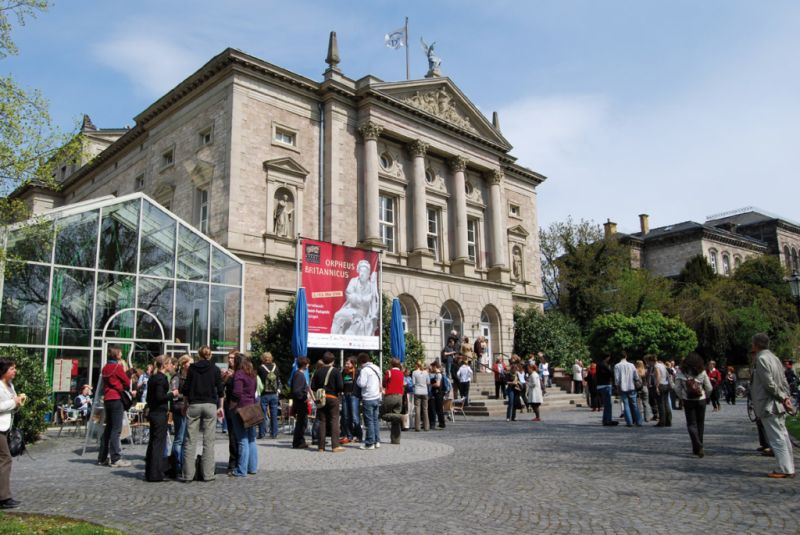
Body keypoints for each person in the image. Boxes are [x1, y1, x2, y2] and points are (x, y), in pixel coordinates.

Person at [749, 333, 795, 478]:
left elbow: (769, 383)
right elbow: (783, 381)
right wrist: (786, 398)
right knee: (783, 435)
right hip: (777, 403)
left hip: (769, 404)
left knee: (777, 438)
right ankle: (789, 467)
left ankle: (784, 469)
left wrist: (782, 397)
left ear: (755, 345)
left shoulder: (761, 359)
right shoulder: (774, 358)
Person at [181, 345, 224, 482]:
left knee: (190, 441)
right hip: (210, 405)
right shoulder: (215, 369)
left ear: (199, 355)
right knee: (208, 441)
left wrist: (185, 404)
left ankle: (188, 475)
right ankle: (207, 474)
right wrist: (220, 406)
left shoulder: (192, 369)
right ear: (210, 355)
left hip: (194, 405)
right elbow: (220, 390)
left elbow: (186, 389)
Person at [144, 356, 179, 482]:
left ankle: (151, 471)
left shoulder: (153, 377)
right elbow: (160, 397)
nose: (171, 366)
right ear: (164, 365)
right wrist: (172, 394)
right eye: (169, 364)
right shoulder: (160, 378)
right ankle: (155, 473)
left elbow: (150, 397)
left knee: (154, 442)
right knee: (158, 443)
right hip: (159, 413)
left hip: (154, 412)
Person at [97, 347, 132, 468]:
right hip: (116, 398)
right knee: (116, 430)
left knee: (109, 428)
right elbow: (126, 382)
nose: (121, 353)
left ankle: (102, 457)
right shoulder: (117, 367)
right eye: (120, 352)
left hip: (107, 399)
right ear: (116, 354)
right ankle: (115, 458)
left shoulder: (105, 368)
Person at [674, 352, 713, 458]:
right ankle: (699, 446)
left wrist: (681, 397)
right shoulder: (702, 371)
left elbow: (677, 388)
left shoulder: (681, 371)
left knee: (691, 424)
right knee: (700, 424)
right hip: (701, 399)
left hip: (688, 400)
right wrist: (706, 396)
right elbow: (709, 387)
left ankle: (697, 446)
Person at [331, 260, 380, 336]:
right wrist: (363, 299)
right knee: (337, 315)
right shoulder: (353, 281)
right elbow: (349, 295)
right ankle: (333, 337)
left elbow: (373, 302)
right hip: (351, 309)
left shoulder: (371, 286)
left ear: (368, 274)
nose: (362, 274)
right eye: (360, 271)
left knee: (353, 328)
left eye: (364, 272)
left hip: (363, 313)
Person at [0, 357, 23, 509]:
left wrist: (18, 404)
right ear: (3, 371)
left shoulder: (10, 385)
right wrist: (14, 402)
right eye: (12, 369)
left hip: (6, 427)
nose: (15, 371)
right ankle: (3, 497)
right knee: (6, 458)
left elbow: (11, 407)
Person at [230, 353, 258, 476]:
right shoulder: (252, 374)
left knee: (242, 439)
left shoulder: (239, 374)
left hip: (240, 408)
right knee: (251, 439)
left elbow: (237, 392)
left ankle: (241, 470)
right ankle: (252, 467)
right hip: (252, 407)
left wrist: (232, 402)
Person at [311, 352, 344, 453]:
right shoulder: (335, 371)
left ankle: (321, 447)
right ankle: (335, 446)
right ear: (333, 361)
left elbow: (313, 387)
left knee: (322, 421)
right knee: (334, 420)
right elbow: (340, 386)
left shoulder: (318, 371)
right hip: (332, 397)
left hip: (321, 398)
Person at [170, 354, 192, 477]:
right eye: (190, 362)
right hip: (179, 408)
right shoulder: (177, 377)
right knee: (179, 438)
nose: (192, 365)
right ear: (184, 364)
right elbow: (173, 394)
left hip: (188, 408)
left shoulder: (190, 376)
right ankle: (176, 465)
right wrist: (185, 397)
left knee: (185, 439)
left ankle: (184, 465)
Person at [357, 353, 382, 449]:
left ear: (361, 362)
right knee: (375, 420)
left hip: (368, 397)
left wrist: (358, 378)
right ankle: (377, 441)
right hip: (376, 396)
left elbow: (362, 384)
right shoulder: (376, 367)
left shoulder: (364, 370)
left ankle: (370, 442)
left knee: (369, 421)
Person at [221, 350, 239, 473]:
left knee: (239, 435)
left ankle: (240, 460)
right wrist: (225, 377)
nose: (230, 360)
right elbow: (221, 387)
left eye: (232, 358)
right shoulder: (228, 371)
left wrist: (233, 377)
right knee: (232, 434)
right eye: (228, 358)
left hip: (238, 405)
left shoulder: (241, 372)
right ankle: (232, 461)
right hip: (229, 405)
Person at [614, 353, 643, 427]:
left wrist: (617, 388)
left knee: (626, 405)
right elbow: (636, 377)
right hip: (631, 386)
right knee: (634, 404)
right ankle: (638, 421)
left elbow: (617, 379)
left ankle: (629, 422)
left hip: (622, 387)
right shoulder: (631, 365)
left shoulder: (617, 366)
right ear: (626, 356)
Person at [257, 352, 281, 440]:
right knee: (274, 414)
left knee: (262, 414)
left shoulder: (260, 368)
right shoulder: (276, 368)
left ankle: (262, 433)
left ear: (263, 358)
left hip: (264, 394)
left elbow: (258, 380)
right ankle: (274, 433)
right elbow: (278, 379)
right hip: (274, 394)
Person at [381, 358, 405, 445]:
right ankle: (396, 440)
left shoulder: (389, 372)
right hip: (400, 397)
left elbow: (384, 384)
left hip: (390, 395)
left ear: (391, 364)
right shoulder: (401, 373)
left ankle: (400, 417)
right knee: (395, 419)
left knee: (381, 414)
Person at [291, 357, 310, 449]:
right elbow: (296, 390)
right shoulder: (299, 375)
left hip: (300, 401)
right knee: (301, 422)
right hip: (300, 402)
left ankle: (300, 441)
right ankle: (298, 442)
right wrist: (304, 397)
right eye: (307, 364)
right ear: (304, 364)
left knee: (303, 422)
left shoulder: (299, 374)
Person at [340, 358, 360, 444]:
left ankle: (359, 435)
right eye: (346, 363)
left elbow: (359, 384)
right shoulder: (343, 372)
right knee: (345, 416)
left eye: (348, 363)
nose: (346, 365)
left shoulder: (357, 372)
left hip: (353, 395)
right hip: (345, 395)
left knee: (355, 417)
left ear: (353, 364)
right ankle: (349, 435)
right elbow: (341, 383)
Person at [412, 361, 430, 431]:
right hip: (425, 392)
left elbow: (413, 383)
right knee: (425, 409)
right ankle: (426, 427)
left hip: (417, 391)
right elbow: (428, 382)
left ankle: (417, 427)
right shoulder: (426, 372)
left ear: (417, 365)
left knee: (417, 410)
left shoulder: (414, 372)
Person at [654, 355, 672, 427]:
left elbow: (658, 376)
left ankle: (662, 422)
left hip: (661, 385)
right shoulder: (662, 365)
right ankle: (668, 421)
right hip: (666, 384)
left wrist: (657, 386)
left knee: (661, 405)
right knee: (666, 403)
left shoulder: (656, 366)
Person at [428, 363, 446, 429]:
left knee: (438, 409)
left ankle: (441, 423)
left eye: (432, 367)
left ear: (435, 367)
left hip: (438, 393)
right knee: (438, 408)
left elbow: (438, 384)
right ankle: (440, 423)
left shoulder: (438, 375)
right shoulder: (437, 374)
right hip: (437, 393)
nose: (432, 368)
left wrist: (430, 385)